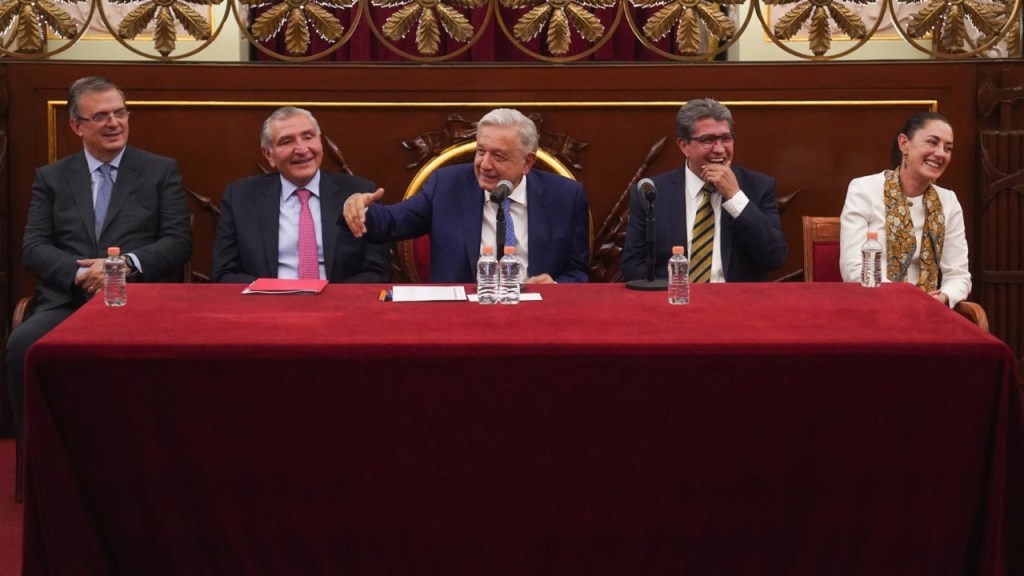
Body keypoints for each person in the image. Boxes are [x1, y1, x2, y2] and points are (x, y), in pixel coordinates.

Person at [5, 76, 192, 436]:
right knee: (22, 345)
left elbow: (178, 241)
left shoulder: (159, 170)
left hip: (140, 301)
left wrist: (122, 267)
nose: (114, 123)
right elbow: (34, 247)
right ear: (77, 125)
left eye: (120, 113)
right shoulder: (52, 178)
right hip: (67, 301)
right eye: (101, 116)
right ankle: (37, 457)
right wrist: (82, 275)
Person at [342, 108, 590, 284]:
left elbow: (578, 272)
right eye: (481, 151)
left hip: (535, 315)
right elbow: (392, 222)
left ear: (527, 162)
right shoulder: (446, 185)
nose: (484, 164)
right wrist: (360, 211)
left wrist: (556, 287)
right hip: (459, 317)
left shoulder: (566, 197)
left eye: (498, 156)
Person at [211, 107, 390, 284]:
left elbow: (377, 271)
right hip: (267, 299)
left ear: (320, 142)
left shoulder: (359, 192)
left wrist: (332, 297)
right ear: (269, 155)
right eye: (286, 142)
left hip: (338, 300)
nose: (302, 149)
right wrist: (271, 294)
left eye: (308, 137)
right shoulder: (241, 197)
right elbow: (223, 272)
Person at [622, 98, 787, 282]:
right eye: (708, 140)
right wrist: (673, 293)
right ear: (684, 146)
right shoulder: (651, 193)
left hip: (736, 298)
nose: (720, 149)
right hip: (673, 295)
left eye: (726, 139)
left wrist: (734, 196)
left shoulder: (758, 187)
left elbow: (774, 258)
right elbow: (633, 266)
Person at [840, 111, 970, 307]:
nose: (941, 153)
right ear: (904, 144)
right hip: (873, 307)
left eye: (948, 148)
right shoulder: (864, 190)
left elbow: (959, 275)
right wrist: (905, 299)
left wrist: (944, 297)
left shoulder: (948, 201)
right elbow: (853, 269)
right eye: (932, 142)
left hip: (929, 311)